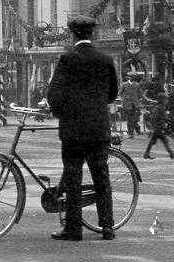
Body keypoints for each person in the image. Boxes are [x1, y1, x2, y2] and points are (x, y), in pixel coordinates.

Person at [45, 15, 118, 241]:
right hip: (98, 128)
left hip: (74, 130)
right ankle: (107, 227)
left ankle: (73, 229)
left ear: (73, 33)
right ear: (91, 33)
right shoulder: (105, 59)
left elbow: (54, 94)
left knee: (73, 179)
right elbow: (113, 93)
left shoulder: (67, 59)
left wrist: (60, 112)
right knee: (101, 178)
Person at [143, 93, 174, 160]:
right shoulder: (159, 108)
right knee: (163, 141)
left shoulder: (159, 107)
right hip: (158, 128)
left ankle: (147, 153)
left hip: (158, 127)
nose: (166, 100)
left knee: (155, 141)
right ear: (161, 100)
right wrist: (166, 120)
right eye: (165, 99)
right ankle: (171, 154)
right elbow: (156, 117)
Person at [119, 72, 143, 138]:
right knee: (129, 119)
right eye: (130, 77)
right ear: (128, 77)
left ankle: (137, 129)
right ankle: (131, 133)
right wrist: (123, 99)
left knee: (135, 119)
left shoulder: (137, 85)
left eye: (133, 77)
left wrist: (139, 101)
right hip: (127, 105)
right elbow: (120, 93)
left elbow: (140, 94)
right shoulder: (124, 84)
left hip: (135, 104)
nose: (131, 78)